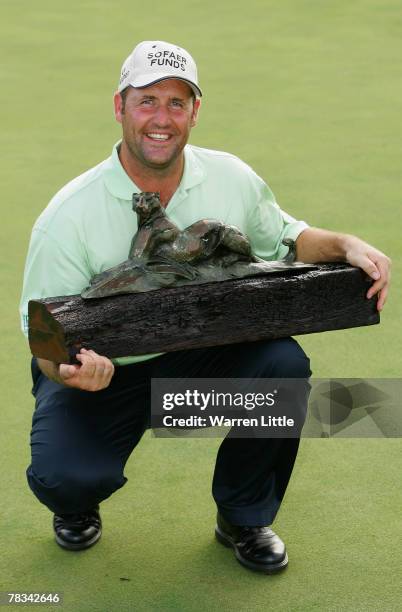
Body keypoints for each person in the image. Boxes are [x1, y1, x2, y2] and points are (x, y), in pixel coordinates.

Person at [20, 40, 391, 573]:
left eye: (177, 103)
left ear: (195, 111)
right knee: (66, 478)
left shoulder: (230, 177)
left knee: (282, 367)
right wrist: (69, 371)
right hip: (109, 376)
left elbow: (286, 239)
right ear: (119, 107)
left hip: (200, 373)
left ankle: (243, 518)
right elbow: (43, 335)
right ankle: (77, 505)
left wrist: (345, 244)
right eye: (147, 101)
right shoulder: (68, 215)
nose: (161, 119)